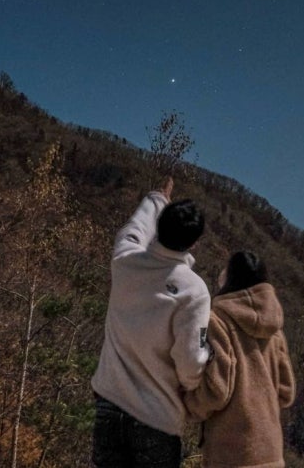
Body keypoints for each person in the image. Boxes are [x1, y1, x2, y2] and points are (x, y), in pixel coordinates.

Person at [91, 177, 211, 468]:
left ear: (158, 227)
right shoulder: (193, 291)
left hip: (109, 403)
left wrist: (157, 199)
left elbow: (134, 230)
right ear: (194, 242)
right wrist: (202, 365)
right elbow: (190, 363)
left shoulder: (125, 261)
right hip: (157, 417)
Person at [183, 250, 296, 468]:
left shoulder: (217, 322)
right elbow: (286, 392)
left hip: (231, 454)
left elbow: (217, 390)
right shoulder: (275, 331)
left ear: (230, 277)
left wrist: (189, 406)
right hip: (271, 452)